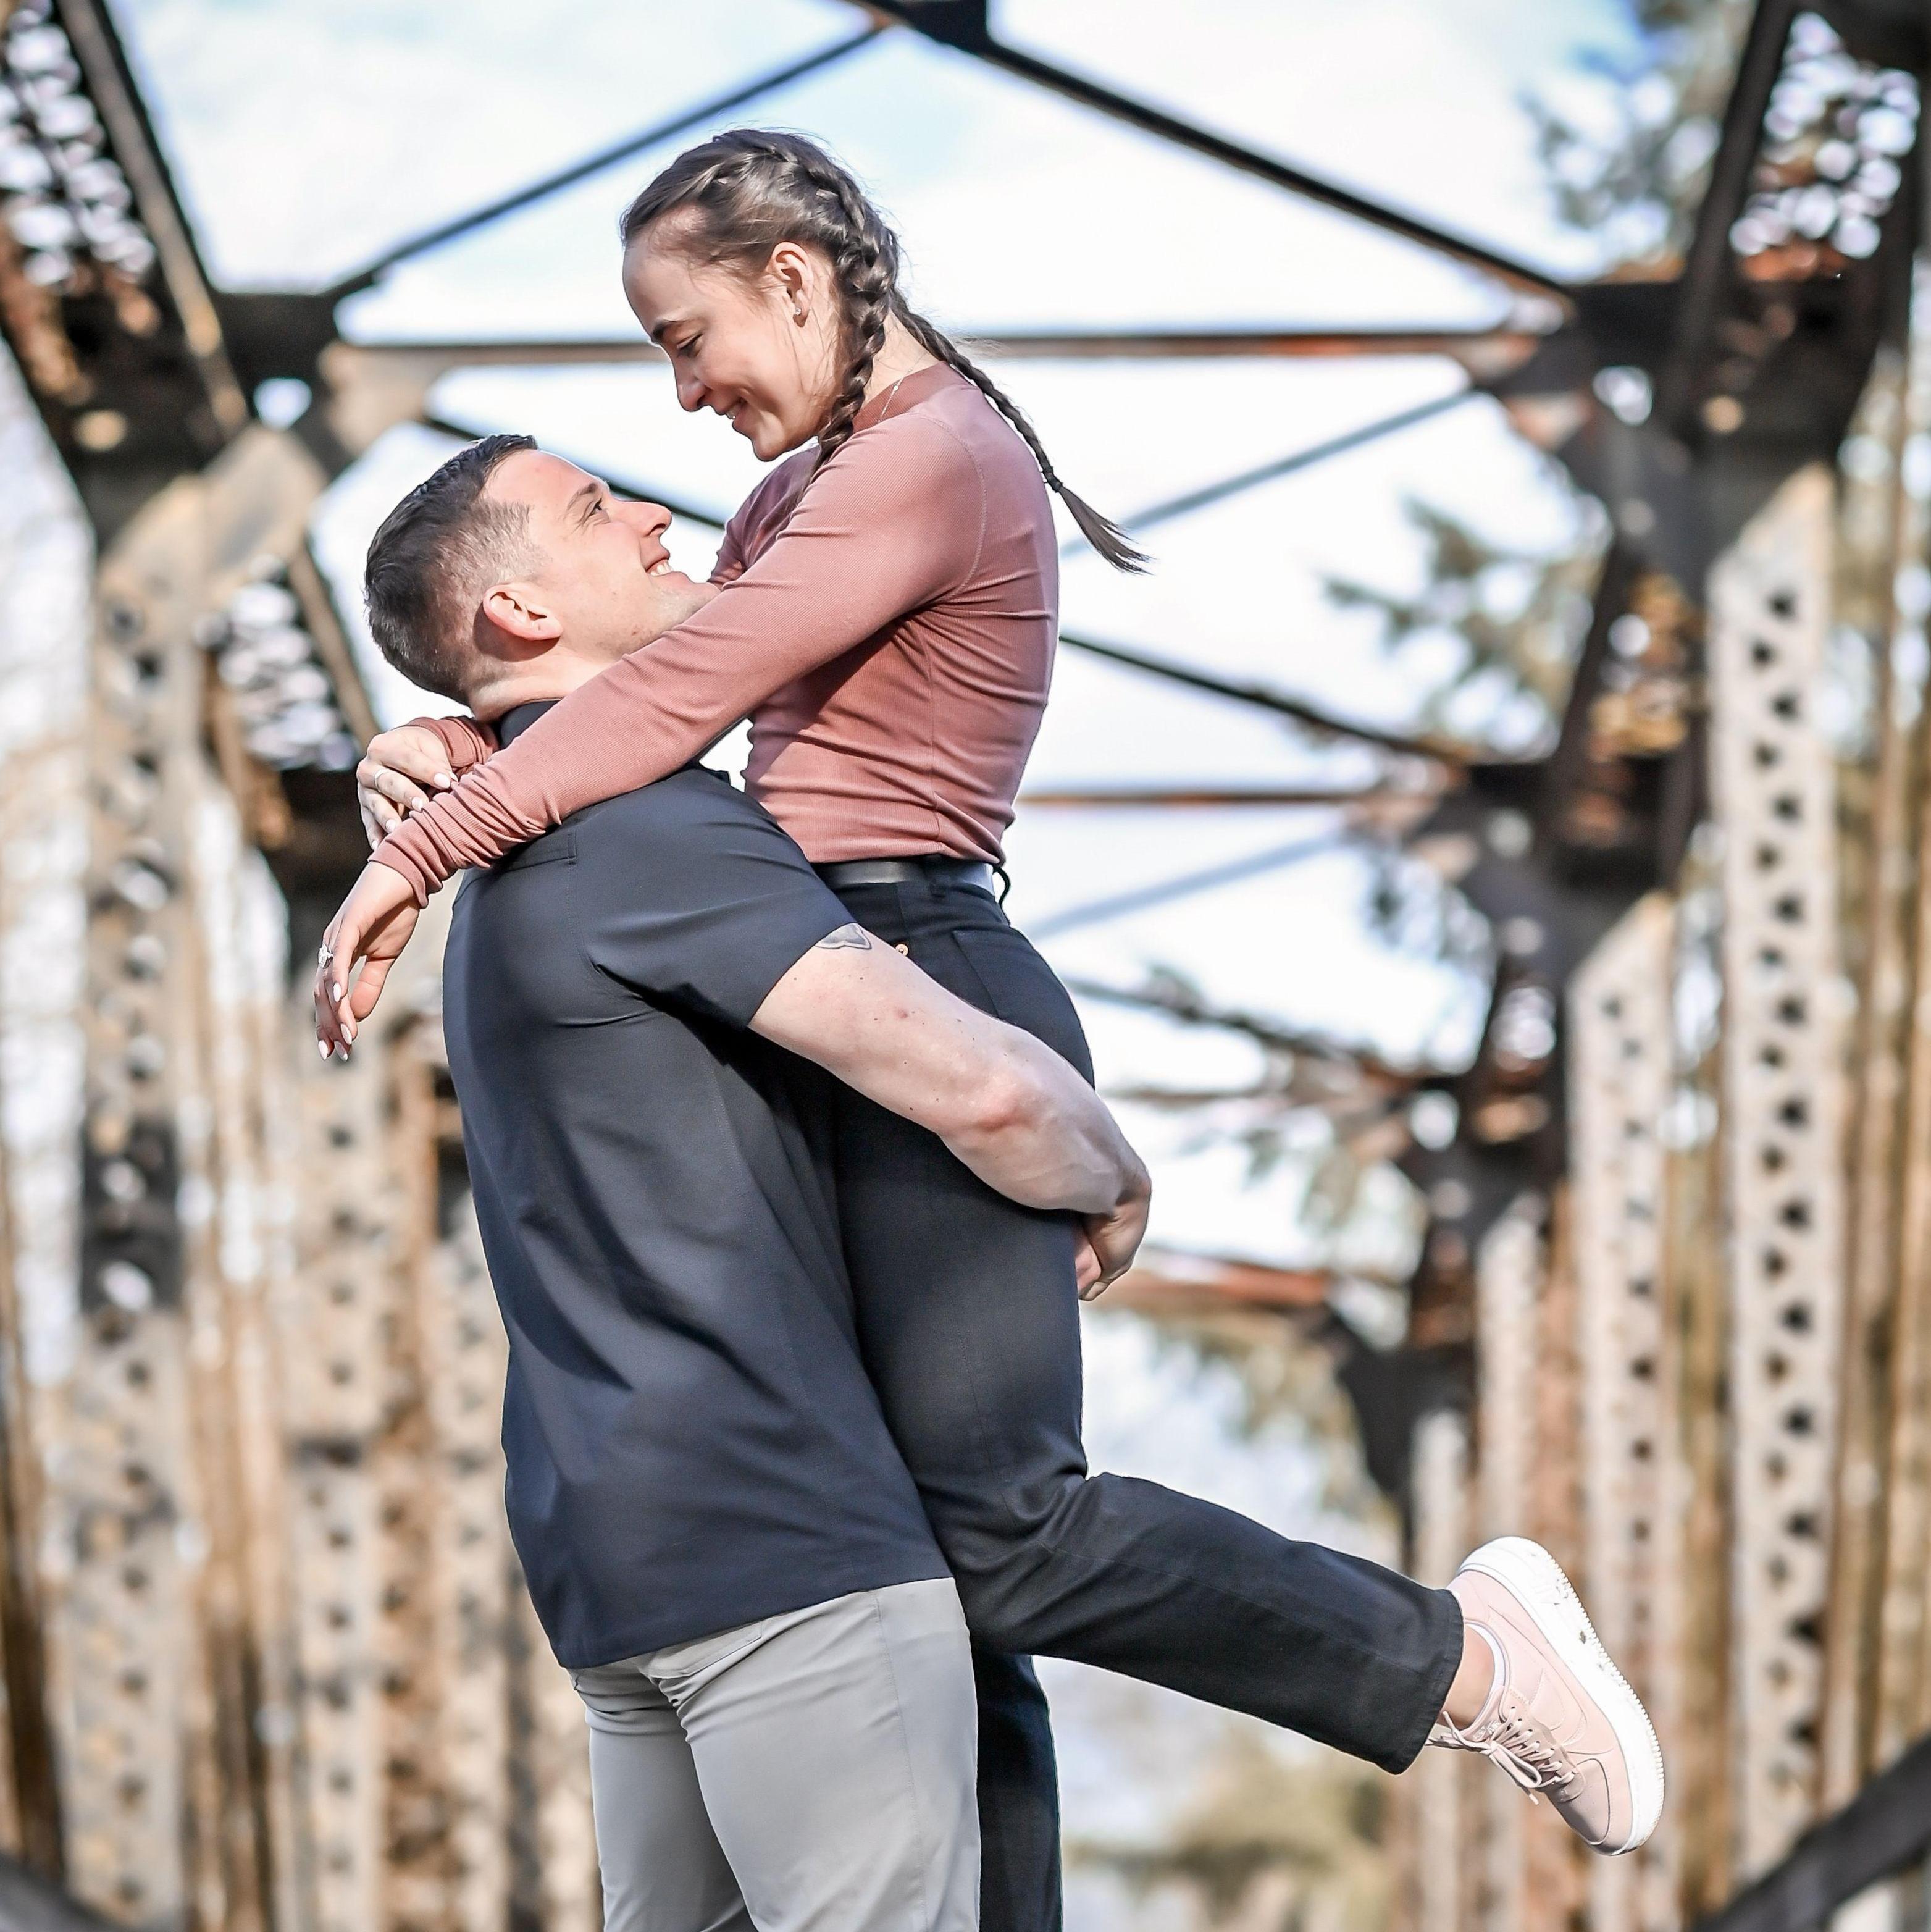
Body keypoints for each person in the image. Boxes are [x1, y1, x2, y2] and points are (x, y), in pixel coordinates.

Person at [320, 132, 1665, 1919]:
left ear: (792, 284)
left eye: (684, 334)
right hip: (811, 968)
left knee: (1004, 1535)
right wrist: (445, 743)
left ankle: (1463, 1662)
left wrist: (423, 846)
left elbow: (677, 695)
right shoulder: (796, 499)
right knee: (919, 1567)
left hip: (914, 969)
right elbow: (615, 695)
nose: (684, 390)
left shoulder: (929, 462)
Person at [372, 434, 1158, 1932]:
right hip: (788, 1551)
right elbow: (977, 1083)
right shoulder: (652, 831)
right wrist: (1109, 1171)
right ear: (524, 613)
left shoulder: (514, 869)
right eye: (599, 511)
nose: (657, 512)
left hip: (619, 1570)